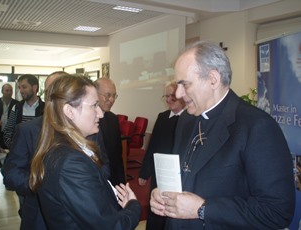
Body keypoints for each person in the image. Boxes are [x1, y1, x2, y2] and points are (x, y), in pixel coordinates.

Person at [150, 41, 295, 229]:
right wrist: (163, 195)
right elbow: (184, 177)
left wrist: (203, 209)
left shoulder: (257, 126)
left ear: (213, 79)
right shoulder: (186, 120)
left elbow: (277, 211)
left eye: (184, 84)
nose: (178, 93)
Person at [29, 75, 141, 229]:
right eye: (94, 105)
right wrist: (133, 205)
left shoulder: (69, 148)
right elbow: (111, 226)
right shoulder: (71, 162)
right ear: (69, 111)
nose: (100, 113)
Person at [3, 71, 72, 229]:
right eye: (50, 92)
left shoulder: (87, 126)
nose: (21, 90)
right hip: (35, 202)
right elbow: (9, 133)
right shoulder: (19, 111)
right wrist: (12, 148)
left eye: (24, 87)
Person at [138, 81, 185, 230]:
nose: (169, 99)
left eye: (173, 96)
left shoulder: (191, 118)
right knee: (157, 209)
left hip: (180, 175)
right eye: (166, 96)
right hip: (160, 173)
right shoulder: (163, 117)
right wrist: (145, 172)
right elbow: (153, 145)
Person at [95, 78, 126, 186]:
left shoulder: (113, 119)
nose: (111, 99)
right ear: (95, 94)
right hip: (96, 180)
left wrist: (122, 182)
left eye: (114, 95)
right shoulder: (86, 120)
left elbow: (118, 155)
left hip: (114, 179)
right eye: (107, 95)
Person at [3, 74, 45, 148]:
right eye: (19, 88)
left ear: (34, 87)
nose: (21, 91)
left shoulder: (46, 108)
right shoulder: (16, 108)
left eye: (24, 87)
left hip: (41, 155)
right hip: (20, 156)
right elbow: (7, 131)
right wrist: (15, 148)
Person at [0, 83, 19, 149]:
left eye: (11, 90)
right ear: (2, 91)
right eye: (7, 90)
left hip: (11, 134)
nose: (9, 92)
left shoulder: (17, 104)